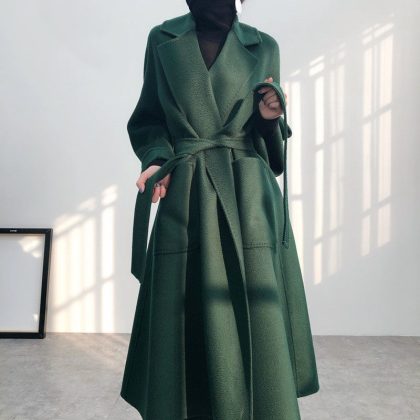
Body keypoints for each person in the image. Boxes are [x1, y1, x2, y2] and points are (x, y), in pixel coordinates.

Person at [120, 1, 320, 419]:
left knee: (256, 315)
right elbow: (149, 119)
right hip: (187, 190)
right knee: (183, 313)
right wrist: (156, 159)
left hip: (247, 197)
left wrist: (269, 118)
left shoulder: (264, 46)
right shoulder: (162, 39)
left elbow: (268, 150)